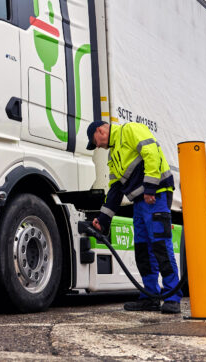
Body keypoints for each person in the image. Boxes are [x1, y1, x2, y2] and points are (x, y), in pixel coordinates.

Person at [86, 120, 182, 313]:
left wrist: (150, 187)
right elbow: (115, 191)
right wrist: (103, 220)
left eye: (94, 141)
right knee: (142, 250)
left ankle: (173, 297)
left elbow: (151, 153)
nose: (97, 146)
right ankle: (150, 296)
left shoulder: (129, 130)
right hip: (140, 202)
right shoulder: (113, 156)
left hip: (156, 196)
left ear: (100, 130)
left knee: (160, 246)